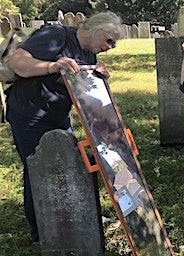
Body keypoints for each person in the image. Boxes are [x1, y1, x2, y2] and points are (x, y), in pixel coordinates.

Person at [5, 12, 123, 243]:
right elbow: (17, 62)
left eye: (114, 44)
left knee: (73, 163)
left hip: (58, 114)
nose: (110, 47)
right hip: (30, 113)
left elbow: (80, 85)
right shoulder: (56, 35)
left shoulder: (87, 52)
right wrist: (53, 65)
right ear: (95, 28)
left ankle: (74, 216)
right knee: (38, 170)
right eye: (109, 40)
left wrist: (97, 77)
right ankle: (42, 231)